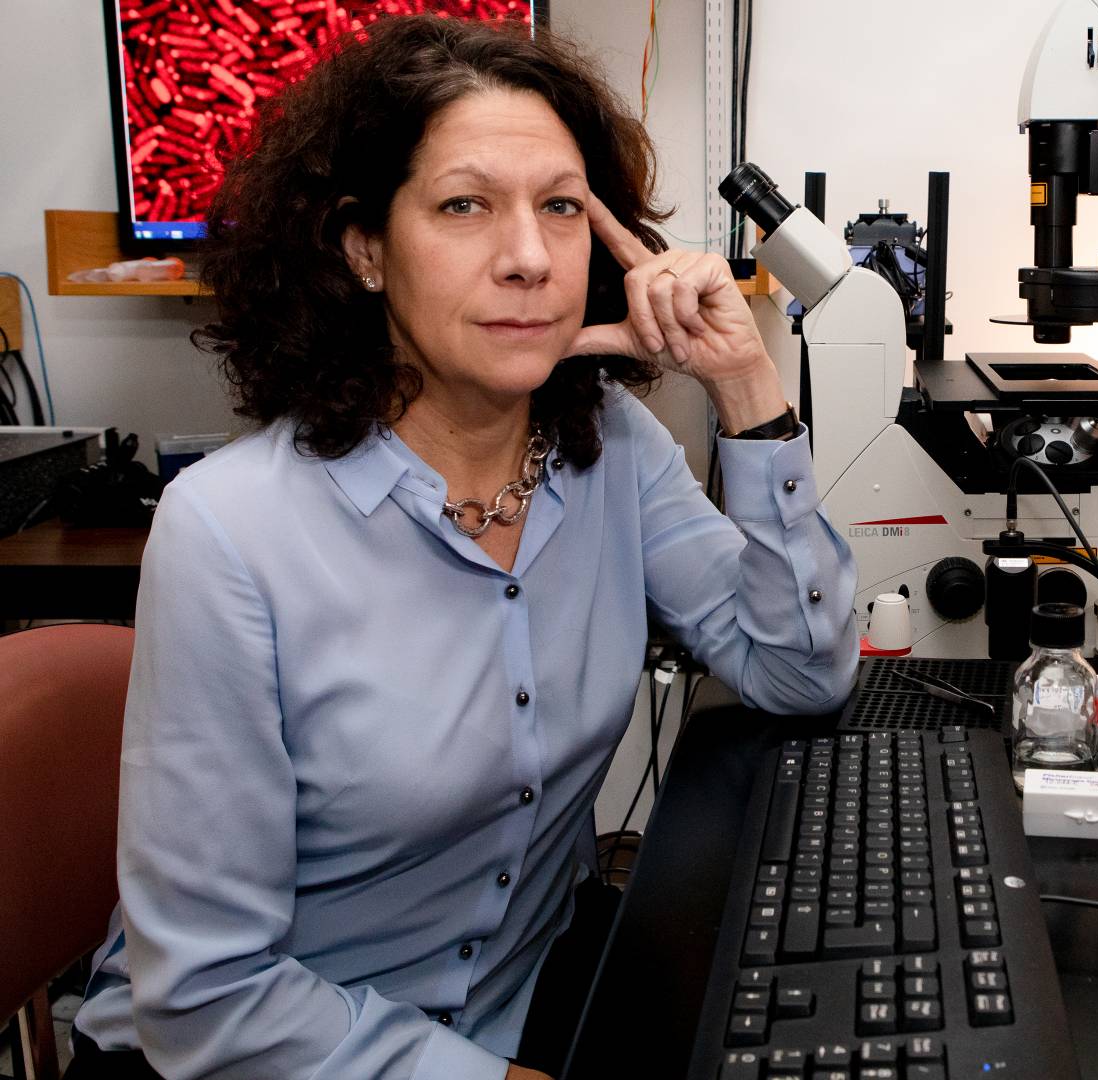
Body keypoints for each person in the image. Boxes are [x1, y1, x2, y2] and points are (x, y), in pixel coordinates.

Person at [67, 15, 856, 1080]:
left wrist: (747, 387)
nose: (529, 258)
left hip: (525, 997)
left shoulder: (613, 449)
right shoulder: (229, 533)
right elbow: (207, 997)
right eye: (464, 206)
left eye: (562, 208)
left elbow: (801, 669)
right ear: (365, 250)